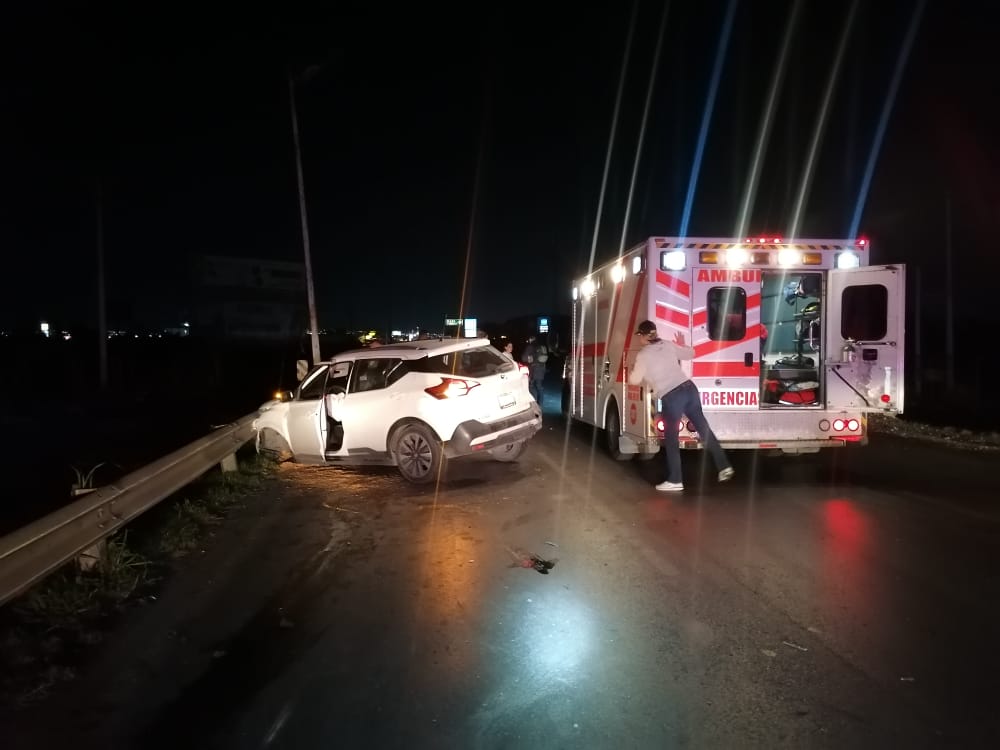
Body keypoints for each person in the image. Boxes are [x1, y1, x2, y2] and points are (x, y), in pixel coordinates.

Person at [628, 319, 734, 492]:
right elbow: (691, 353)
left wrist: (632, 370)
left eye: (640, 335)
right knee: (704, 429)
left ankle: (675, 479)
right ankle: (724, 466)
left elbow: (635, 379)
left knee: (671, 439)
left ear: (644, 336)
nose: (639, 339)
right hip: (689, 389)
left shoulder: (643, 355)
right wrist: (682, 344)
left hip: (672, 396)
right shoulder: (668, 345)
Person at [520, 335, 548, 405]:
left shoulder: (530, 346)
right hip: (541, 369)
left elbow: (524, 358)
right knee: (539, 386)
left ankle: (533, 403)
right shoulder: (541, 346)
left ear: (531, 339)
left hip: (533, 369)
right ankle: (540, 404)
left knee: (530, 386)